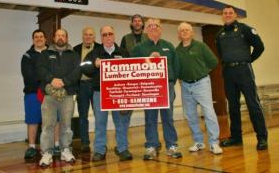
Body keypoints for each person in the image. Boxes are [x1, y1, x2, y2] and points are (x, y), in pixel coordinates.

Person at [216, 5, 267, 150]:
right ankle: (236, 138)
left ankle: (262, 138)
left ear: (235, 15)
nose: (227, 15)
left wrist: (248, 59)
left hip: (244, 70)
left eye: (230, 13)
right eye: (224, 13)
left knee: (253, 104)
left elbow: (259, 47)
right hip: (228, 72)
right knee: (232, 106)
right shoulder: (219, 35)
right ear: (222, 16)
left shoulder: (245, 29)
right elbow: (221, 54)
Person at [131, 18, 182, 160]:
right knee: (150, 117)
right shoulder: (139, 48)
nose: (153, 28)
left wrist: (171, 81)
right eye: (150, 26)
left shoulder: (169, 46)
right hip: (149, 87)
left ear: (161, 29)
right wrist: (148, 59)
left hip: (167, 86)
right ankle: (151, 146)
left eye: (156, 26)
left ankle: (171, 145)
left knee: (168, 117)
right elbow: (132, 66)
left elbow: (176, 66)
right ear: (146, 30)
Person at [82, 26, 133, 161]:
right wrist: (94, 64)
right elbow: (84, 67)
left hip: (119, 93)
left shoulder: (123, 52)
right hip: (100, 93)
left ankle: (122, 148)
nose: (108, 36)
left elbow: (133, 70)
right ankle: (99, 150)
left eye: (110, 33)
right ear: (101, 37)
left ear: (114, 35)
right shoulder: (95, 52)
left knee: (121, 122)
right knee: (100, 122)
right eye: (104, 35)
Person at [176, 22, 223, 155]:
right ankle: (198, 142)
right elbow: (177, 68)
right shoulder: (177, 50)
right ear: (179, 35)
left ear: (192, 33)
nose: (184, 32)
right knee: (190, 115)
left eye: (187, 30)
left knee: (209, 113)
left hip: (201, 83)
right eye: (181, 31)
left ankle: (214, 142)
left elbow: (213, 61)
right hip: (185, 85)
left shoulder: (200, 46)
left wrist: (202, 71)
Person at [37, 29, 81, 167]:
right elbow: (40, 69)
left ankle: (65, 150)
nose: (60, 37)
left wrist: (64, 82)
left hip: (67, 94)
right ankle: (47, 153)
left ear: (67, 38)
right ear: (54, 38)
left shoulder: (74, 55)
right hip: (49, 96)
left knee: (66, 125)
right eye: (58, 35)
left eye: (63, 35)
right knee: (47, 125)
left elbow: (77, 71)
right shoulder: (45, 54)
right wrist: (52, 79)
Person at [21, 29, 47, 161]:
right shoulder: (27, 56)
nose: (39, 39)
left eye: (41, 37)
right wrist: (47, 80)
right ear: (33, 40)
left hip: (50, 93)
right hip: (33, 93)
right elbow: (29, 75)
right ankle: (31, 147)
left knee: (53, 121)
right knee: (32, 120)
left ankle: (50, 147)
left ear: (45, 39)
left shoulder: (52, 54)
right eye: (36, 37)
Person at [74, 27, 100, 152]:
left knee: (99, 115)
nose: (88, 37)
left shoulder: (100, 49)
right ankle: (85, 142)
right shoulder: (75, 49)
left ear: (94, 37)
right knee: (83, 115)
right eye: (86, 34)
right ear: (82, 36)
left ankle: (100, 143)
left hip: (97, 86)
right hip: (82, 86)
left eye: (91, 35)